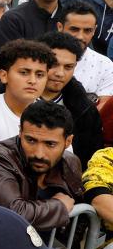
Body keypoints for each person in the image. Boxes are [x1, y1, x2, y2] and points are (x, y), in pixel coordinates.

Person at [0, 100, 84, 233]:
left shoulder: (70, 163)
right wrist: (59, 207)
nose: (39, 154)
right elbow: (13, 214)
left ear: (68, 141)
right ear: (20, 132)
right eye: (31, 140)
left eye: (50, 144)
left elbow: (78, 223)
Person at [0, 39, 54, 158]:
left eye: (39, 75)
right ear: (3, 75)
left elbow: (65, 166)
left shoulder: (54, 115)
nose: (32, 81)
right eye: (24, 73)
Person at [35, 31, 105, 167]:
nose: (60, 73)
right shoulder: (8, 97)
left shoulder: (85, 109)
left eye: (68, 67)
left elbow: (93, 161)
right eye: (53, 64)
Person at [56, 0, 113, 104]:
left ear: (94, 30)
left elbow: (102, 111)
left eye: (87, 30)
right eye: (74, 29)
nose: (80, 36)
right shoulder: (41, 58)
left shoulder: (105, 66)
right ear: (60, 27)